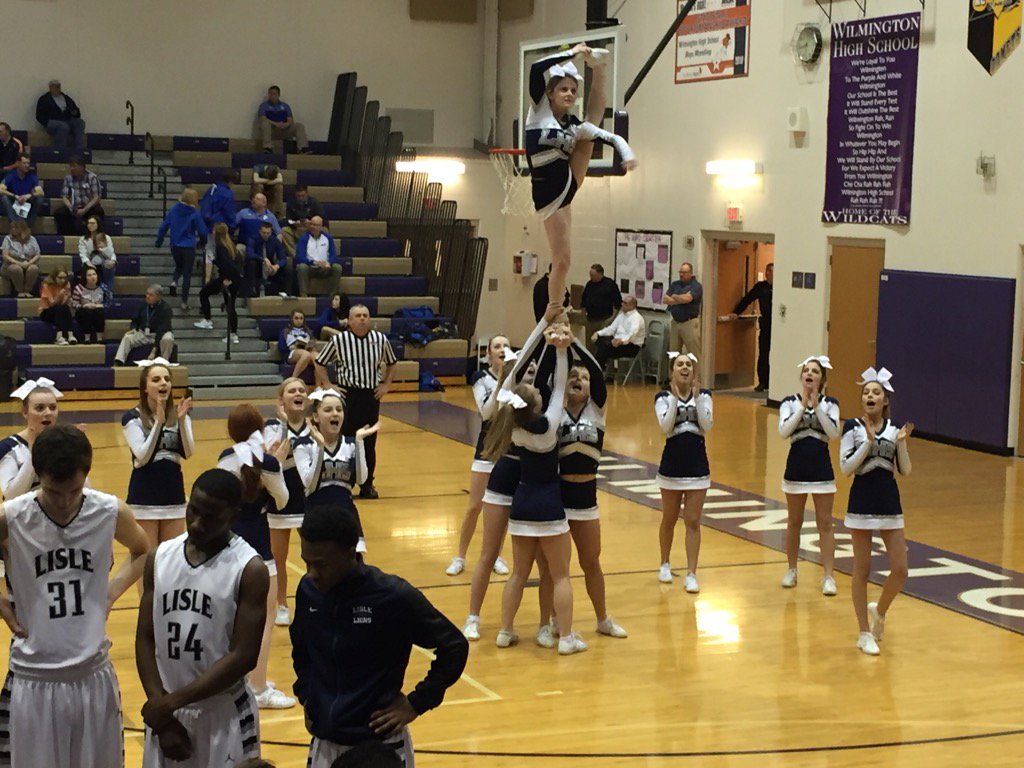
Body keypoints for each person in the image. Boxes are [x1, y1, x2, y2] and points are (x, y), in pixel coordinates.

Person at [0, 424, 149, 768]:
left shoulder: (109, 511)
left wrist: (111, 593)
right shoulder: (13, 516)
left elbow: (143, 550)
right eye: (54, 492)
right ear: (37, 475)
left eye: (75, 490)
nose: (65, 501)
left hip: (93, 673)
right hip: (33, 677)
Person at [291, 504, 469, 768]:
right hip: (325, 744)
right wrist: (307, 696)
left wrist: (416, 703)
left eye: (321, 565)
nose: (311, 574)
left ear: (350, 553)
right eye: (306, 563)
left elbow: (454, 646)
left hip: (380, 751)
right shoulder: (309, 591)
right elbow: (301, 649)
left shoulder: (391, 596)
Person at [136, 469, 270, 766]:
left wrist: (169, 704)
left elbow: (244, 656)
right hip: (167, 712)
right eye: (193, 511)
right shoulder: (159, 557)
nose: (197, 523)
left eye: (210, 517)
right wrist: (162, 713)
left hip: (222, 713)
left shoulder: (249, 569)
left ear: (233, 515)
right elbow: (145, 638)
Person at [485, 315, 588, 655]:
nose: (539, 391)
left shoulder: (512, 427)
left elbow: (512, 379)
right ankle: (567, 638)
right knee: (560, 576)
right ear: (535, 404)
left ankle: (505, 631)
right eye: (535, 393)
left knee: (518, 574)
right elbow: (559, 387)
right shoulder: (548, 426)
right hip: (548, 504)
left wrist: (540, 337)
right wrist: (561, 349)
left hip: (521, 504)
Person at [525, 45, 636, 309]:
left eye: (573, 90)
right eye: (563, 89)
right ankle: (554, 307)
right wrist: (572, 52)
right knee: (562, 261)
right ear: (550, 93)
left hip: (568, 180)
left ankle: (600, 69)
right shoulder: (539, 111)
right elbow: (536, 68)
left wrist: (627, 154)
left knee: (593, 123)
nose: (569, 94)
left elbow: (612, 137)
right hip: (549, 195)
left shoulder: (573, 125)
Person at [537, 340, 627, 641]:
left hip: (587, 499)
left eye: (584, 378)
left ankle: (602, 618)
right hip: (558, 499)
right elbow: (542, 381)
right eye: (573, 376)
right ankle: (551, 621)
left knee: (591, 562)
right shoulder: (554, 411)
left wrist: (573, 341)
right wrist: (555, 347)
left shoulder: (597, 411)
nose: (579, 379)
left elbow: (598, 373)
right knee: (553, 568)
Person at [461, 350, 544, 642]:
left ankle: (542, 622)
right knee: (489, 553)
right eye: (526, 366)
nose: (532, 369)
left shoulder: (540, 402)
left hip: (529, 486)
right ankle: (473, 617)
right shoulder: (507, 403)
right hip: (502, 484)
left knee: (537, 561)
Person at [216, 406, 295, 709]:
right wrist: (276, 463)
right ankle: (259, 689)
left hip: (228, 543)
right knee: (264, 619)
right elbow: (283, 500)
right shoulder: (268, 462)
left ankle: (240, 680)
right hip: (258, 546)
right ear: (260, 429)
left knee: (232, 617)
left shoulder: (225, 457)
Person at [840, 367, 913, 656]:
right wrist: (868, 443)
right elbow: (846, 468)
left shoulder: (895, 430)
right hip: (861, 503)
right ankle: (863, 632)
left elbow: (904, 470)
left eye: (876, 392)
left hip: (889, 503)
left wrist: (902, 445)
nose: (870, 396)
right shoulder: (852, 428)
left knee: (901, 569)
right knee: (862, 569)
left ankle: (879, 611)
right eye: (866, 392)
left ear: (885, 400)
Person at [313, 305, 397, 498]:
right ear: (350, 320)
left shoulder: (380, 339)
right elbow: (319, 362)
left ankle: (367, 484)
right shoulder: (339, 340)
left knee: (369, 441)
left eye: (365, 315)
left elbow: (392, 363)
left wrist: (386, 385)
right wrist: (328, 385)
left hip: (370, 395)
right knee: (346, 440)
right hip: (347, 395)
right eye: (358, 316)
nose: (362, 319)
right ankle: (346, 483)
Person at [445, 335, 512, 577]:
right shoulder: (480, 378)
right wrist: (502, 382)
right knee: (475, 507)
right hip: (486, 448)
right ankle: (460, 556)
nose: (502, 349)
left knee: (502, 509)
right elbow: (486, 412)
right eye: (497, 346)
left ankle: (496, 555)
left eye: (506, 346)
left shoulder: (517, 377)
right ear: (488, 354)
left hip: (509, 449)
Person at [779, 356, 840, 596]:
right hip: (796, 468)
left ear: (822, 379)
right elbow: (784, 431)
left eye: (815, 371)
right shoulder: (789, 402)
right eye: (807, 370)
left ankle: (829, 576)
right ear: (801, 376)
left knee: (825, 523)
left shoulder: (831, 404)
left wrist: (817, 407)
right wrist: (803, 407)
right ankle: (792, 569)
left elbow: (833, 433)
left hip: (821, 469)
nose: (810, 374)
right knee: (794, 521)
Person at [655, 352, 713, 593]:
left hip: (697, 465)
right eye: (679, 364)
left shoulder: (705, 396)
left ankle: (691, 573)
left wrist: (697, 399)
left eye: (688, 364)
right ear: (672, 372)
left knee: (693, 521)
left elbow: (707, 425)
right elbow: (665, 426)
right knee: (669, 518)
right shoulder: (663, 397)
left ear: (694, 372)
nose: (684, 368)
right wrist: (675, 399)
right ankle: (664, 563)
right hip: (672, 465)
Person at [293, 388, 377, 551]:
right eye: (328, 410)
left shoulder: (350, 444)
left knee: (354, 564)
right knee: (321, 564)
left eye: (339, 409)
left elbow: (361, 479)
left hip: (347, 516)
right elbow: (310, 484)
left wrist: (359, 442)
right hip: (317, 517)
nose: (335, 414)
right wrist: (320, 448)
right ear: (316, 416)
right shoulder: (303, 445)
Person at [123, 363, 194, 550]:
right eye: (156, 379)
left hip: (173, 494)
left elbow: (188, 453)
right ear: (145, 388)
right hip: (144, 496)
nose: (163, 383)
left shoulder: (180, 414)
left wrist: (181, 421)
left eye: (167, 379)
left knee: (171, 558)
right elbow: (143, 456)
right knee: (147, 558)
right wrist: (158, 424)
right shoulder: (132, 418)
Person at [262, 378, 311, 626]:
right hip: (280, 498)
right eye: (292, 391)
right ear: (281, 400)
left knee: (313, 554)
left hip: (307, 498)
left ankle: (314, 602)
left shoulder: (314, 426)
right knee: (278, 557)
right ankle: (281, 604)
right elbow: (273, 458)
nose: (298, 393)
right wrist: (284, 423)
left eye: (302, 390)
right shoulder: (271, 426)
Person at [0, 378, 63, 499]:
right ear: (25, 412)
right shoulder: (8, 448)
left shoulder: (65, 443)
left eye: (53, 407)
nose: (48, 413)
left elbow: (83, 490)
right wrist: (33, 453)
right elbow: (11, 497)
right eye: (40, 408)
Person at [156, 188, 207, 310]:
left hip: (175, 245)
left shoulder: (174, 209)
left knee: (179, 265)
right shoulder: (194, 213)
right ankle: (184, 301)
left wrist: (159, 241)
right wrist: (202, 242)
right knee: (187, 274)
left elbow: (164, 226)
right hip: (188, 246)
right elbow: (203, 232)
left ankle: (174, 282)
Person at [729, 262, 774, 391]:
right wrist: (736, 312)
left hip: (779, 325)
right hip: (766, 324)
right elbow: (747, 299)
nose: (771, 274)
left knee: (777, 354)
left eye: (772, 271)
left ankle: (775, 382)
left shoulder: (782, 286)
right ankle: (763, 381)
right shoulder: (761, 287)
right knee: (763, 353)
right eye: (769, 271)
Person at [195, 223, 241, 344]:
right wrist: (215, 261)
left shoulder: (221, 247)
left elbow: (227, 264)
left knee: (204, 293)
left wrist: (226, 279)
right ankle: (234, 334)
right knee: (230, 306)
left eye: (214, 230)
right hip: (235, 279)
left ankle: (207, 319)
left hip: (227, 278)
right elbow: (231, 262)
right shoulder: (231, 245)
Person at [114, 284, 175, 365]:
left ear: (158, 297)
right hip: (144, 334)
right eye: (147, 293)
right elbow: (135, 319)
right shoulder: (143, 304)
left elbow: (162, 329)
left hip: (159, 334)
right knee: (127, 337)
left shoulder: (166, 308)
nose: (147, 296)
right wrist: (133, 328)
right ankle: (119, 361)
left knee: (168, 339)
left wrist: (154, 348)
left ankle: (164, 362)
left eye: (151, 295)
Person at [591, 294, 645, 370]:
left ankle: (597, 370)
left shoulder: (637, 318)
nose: (622, 304)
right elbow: (611, 329)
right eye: (622, 302)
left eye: (625, 303)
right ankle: (599, 368)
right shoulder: (622, 315)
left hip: (631, 346)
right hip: (617, 341)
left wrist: (621, 341)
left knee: (604, 347)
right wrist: (598, 333)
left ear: (632, 306)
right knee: (599, 340)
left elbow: (632, 334)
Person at [53, 156, 104, 236]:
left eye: (74, 166)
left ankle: (94, 236)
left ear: (81, 167)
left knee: (98, 212)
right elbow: (64, 196)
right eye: (70, 166)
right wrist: (71, 208)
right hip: (74, 207)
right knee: (59, 213)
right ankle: (69, 236)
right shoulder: (68, 178)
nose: (71, 168)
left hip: (88, 207)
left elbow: (96, 197)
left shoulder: (92, 177)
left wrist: (84, 210)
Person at [199, 170, 238, 269]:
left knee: (209, 251)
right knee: (222, 251)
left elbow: (203, 206)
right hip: (221, 226)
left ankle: (207, 275)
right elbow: (229, 212)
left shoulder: (212, 189)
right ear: (230, 181)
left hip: (208, 225)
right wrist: (232, 227)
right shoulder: (227, 194)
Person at [296, 216, 341, 297]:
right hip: (310, 267)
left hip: (324, 268)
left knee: (337, 267)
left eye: (315, 225)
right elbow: (300, 257)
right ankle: (304, 295)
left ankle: (333, 295)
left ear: (321, 226)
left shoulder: (328, 238)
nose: (312, 227)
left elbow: (333, 255)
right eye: (311, 224)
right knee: (302, 267)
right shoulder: (304, 238)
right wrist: (313, 262)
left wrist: (329, 263)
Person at [665, 262, 702, 357]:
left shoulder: (696, 286)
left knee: (693, 354)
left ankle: (695, 368)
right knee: (673, 353)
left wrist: (674, 296)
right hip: (676, 322)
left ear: (690, 273)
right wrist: (681, 299)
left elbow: (687, 299)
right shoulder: (675, 284)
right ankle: (674, 367)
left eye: (684, 272)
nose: (681, 274)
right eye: (680, 272)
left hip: (689, 323)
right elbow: (665, 299)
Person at [257, 86, 310, 154]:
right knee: (264, 124)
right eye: (270, 94)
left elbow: (290, 120)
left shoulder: (285, 106)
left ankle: (303, 148)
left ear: (278, 95)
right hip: (272, 131)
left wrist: (285, 124)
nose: (272, 96)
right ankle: (267, 148)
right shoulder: (263, 106)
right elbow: (262, 119)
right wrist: (276, 124)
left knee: (299, 126)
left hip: (284, 130)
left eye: (274, 94)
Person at [35, 79, 86, 149]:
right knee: (63, 126)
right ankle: (59, 150)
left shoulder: (66, 98)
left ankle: (79, 149)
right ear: (50, 88)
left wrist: (75, 113)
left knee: (80, 123)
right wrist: (46, 122)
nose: (57, 89)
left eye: (58, 87)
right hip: (52, 121)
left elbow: (75, 110)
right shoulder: (44, 99)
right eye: (55, 87)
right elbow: (39, 115)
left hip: (67, 120)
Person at [581, 264, 621, 349]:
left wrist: (612, 318)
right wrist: (584, 316)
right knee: (590, 345)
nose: (591, 277)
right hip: (590, 319)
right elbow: (583, 301)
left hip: (604, 319)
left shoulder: (610, 284)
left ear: (600, 274)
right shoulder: (589, 284)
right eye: (590, 275)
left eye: (593, 275)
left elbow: (617, 302)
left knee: (603, 344)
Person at [70, 263, 112, 343]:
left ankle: (99, 338)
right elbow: (74, 304)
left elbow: (109, 302)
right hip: (83, 310)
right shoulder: (79, 288)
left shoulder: (103, 287)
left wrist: (97, 305)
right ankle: (87, 339)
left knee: (99, 312)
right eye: (89, 275)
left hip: (98, 309)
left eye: (94, 274)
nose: (93, 277)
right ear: (85, 277)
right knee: (87, 313)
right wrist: (84, 306)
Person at [0, 153, 44, 225]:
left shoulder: (32, 176)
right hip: (15, 202)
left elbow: (41, 192)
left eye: (28, 163)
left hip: (27, 202)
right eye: (24, 163)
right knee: (4, 197)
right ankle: (15, 223)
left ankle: (27, 224)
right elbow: (1, 189)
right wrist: (15, 196)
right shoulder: (11, 175)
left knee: (40, 198)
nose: (27, 165)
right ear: (18, 163)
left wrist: (29, 195)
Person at [1, 218, 41, 297]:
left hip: (27, 263)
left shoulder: (32, 239)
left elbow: (37, 254)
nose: (13, 229)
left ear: (23, 228)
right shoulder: (8, 239)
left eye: (16, 227)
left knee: (34, 268)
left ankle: (27, 290)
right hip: (10, 265)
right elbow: (5, 256)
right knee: (16, 269)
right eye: (12, 227)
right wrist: (19, 263)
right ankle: (20, 290)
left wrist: (29, 263)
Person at [247, 221, 288, 298]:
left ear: (271, 232)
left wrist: (277, 266)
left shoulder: (275, 240)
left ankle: (284, 292)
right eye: (263, 233)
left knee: (286, 267)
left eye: (268, 233)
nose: (265, 235)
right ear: (260, 231)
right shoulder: (253, 239)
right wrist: (263, 259)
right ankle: (253, 290)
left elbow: (283, 257)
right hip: (258, 263)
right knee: (251, 263)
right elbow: (249, 253)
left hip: (270, 264)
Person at [236, 193, 281, 259]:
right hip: (245, 245)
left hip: (263, 247)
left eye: (257, 199)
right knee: (238, 248)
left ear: (264, 203)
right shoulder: (243, 213)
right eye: (254, 198)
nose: (254, 200)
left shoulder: (270, 217)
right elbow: (232, 226)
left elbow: (279, 234)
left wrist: (277, 247)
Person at [77, 214, 117, 290]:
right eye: (89, 223)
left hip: (104, 262)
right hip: (91, 263)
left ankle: (108, 291)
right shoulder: (83, 239)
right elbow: (83, 254)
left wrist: (113, 261)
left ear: (98, 224)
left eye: (93, 223)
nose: (90, 225)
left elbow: (112, 252)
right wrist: (87, 262)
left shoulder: (106, 237)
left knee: (109, 266)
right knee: (88, 269)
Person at [283, 185, 324, 257]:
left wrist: (311, 222)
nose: (301, 198)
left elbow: (322, 219)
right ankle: (296, 255)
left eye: (303, 196)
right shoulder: (291, 203)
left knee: (324, 229)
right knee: (284, 231)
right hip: (296, 228)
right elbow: (288, 220)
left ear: (307, 194)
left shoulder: (314, 203)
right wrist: (294, 223)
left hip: (311, 228)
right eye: (298, 196)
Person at [38, 267, 76, 345]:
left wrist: (67, 297)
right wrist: (59, 296)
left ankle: (70, 335)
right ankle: (58, 337)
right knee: (58, 308)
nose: (63, 280)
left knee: (65, 307)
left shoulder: (67, 284)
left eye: (65, 278)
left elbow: (63, 304)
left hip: (59, 310)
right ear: (54, 277)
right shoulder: (46, 285)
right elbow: (51, 304)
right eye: (60, 278)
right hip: (46, 311)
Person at [279, 309, 317, 380]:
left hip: (307, 350)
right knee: (306, 355)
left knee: (317, 358)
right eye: (296, 318)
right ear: (292, 319)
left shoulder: (308, 331)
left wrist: (310, 346)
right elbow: (281, 347)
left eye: (301, 318)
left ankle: (319, 384)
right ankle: (293, 378)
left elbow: (313, 342)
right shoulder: (286, 331)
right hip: (292, 353)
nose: (299, 320)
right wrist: (292, 347)